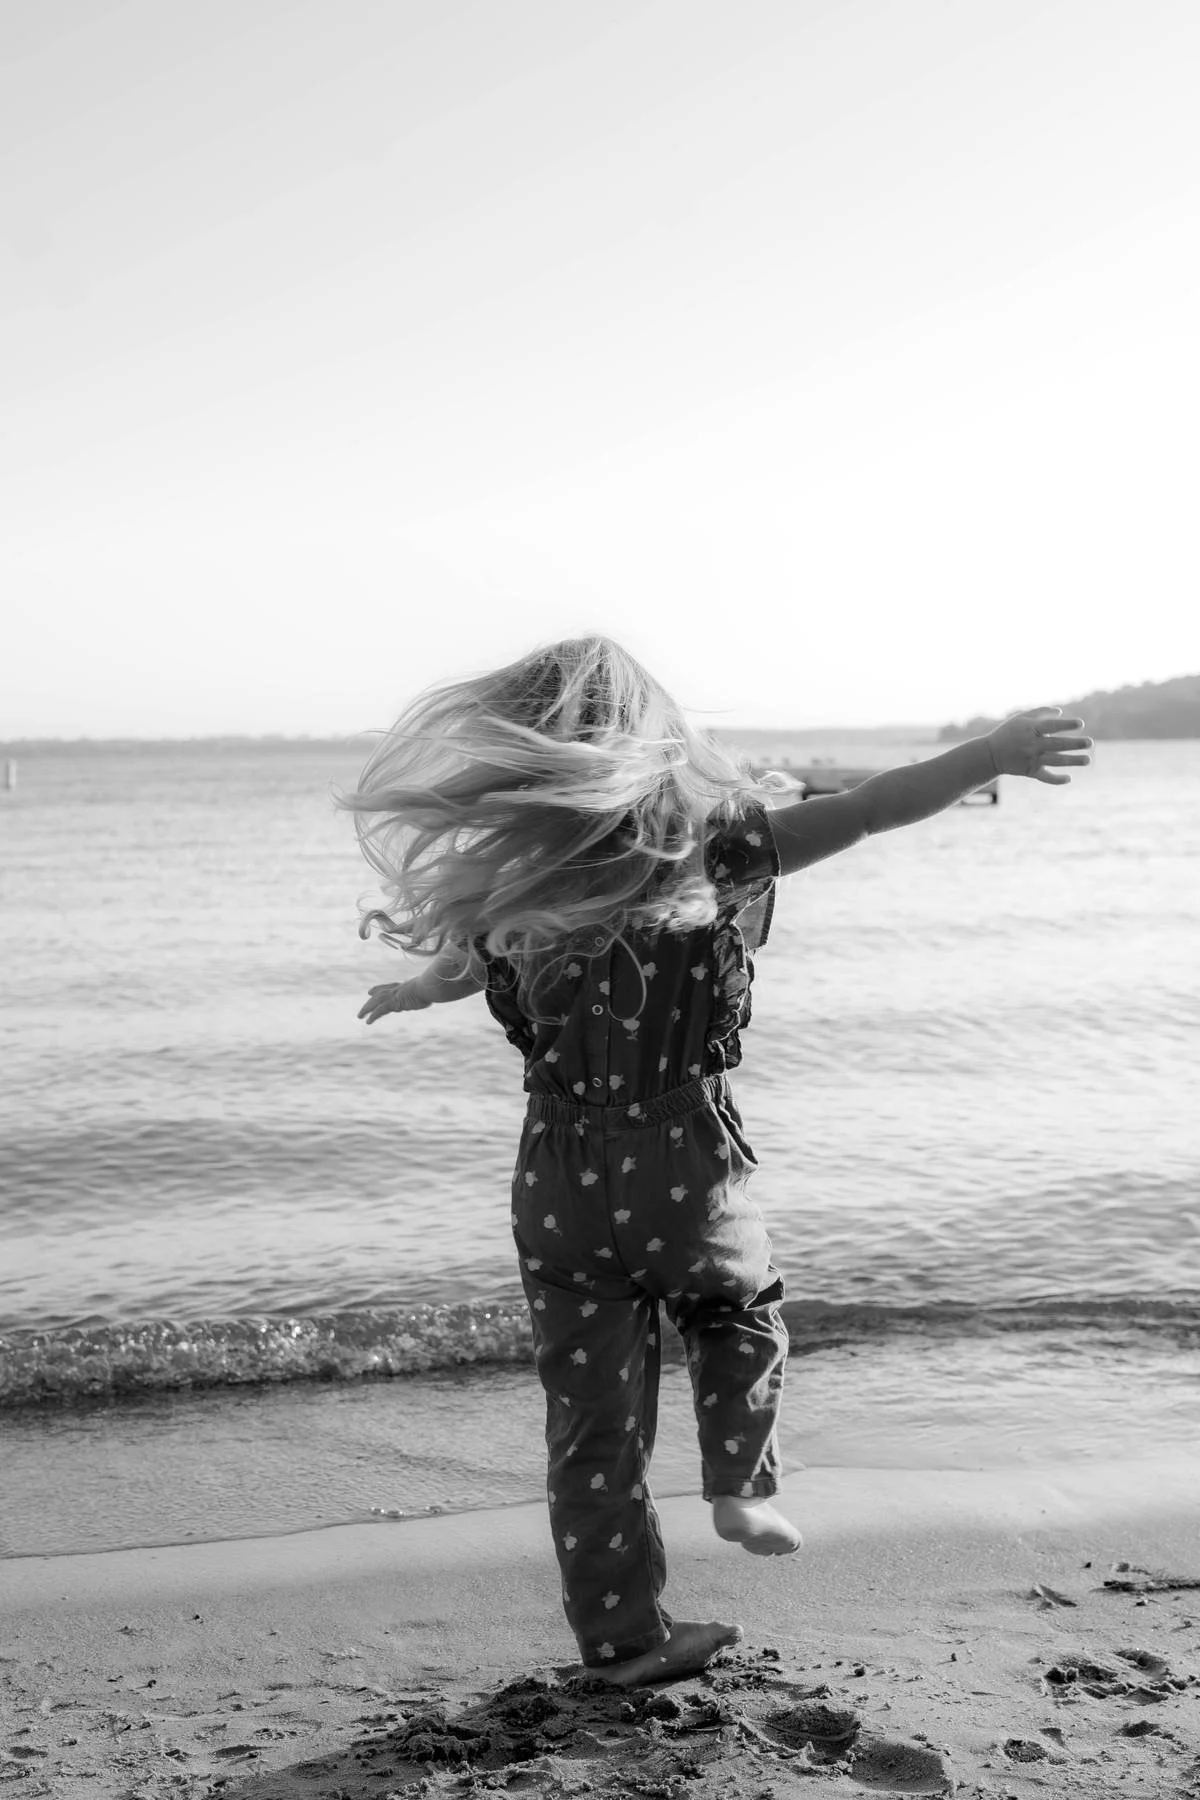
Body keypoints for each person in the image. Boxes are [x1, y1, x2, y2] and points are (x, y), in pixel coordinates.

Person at [339, 636, 1091, 1687]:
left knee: (589, 1424)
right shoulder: (717, 855)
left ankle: (622, 1645)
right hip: (682, 1156)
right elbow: (877, 806)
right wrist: (990, 753)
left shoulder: (521, 885)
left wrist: (416, 991)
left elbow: (466, 966)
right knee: (737, 1305)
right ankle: (739, 1482)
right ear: (653, 746)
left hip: (555, 1177)